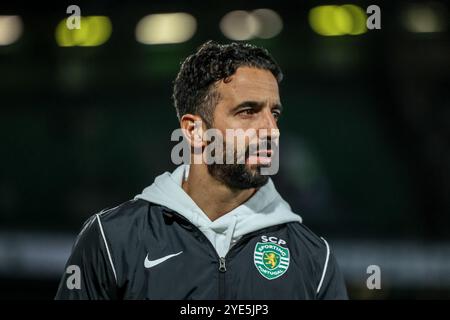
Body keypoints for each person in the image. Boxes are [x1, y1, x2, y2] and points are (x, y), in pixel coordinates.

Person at [55, 41, 348, 299]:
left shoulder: (314, 260)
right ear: (194, 131)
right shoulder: (112, 240)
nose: (271, 131)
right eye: (248, 112)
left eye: (274, 113)